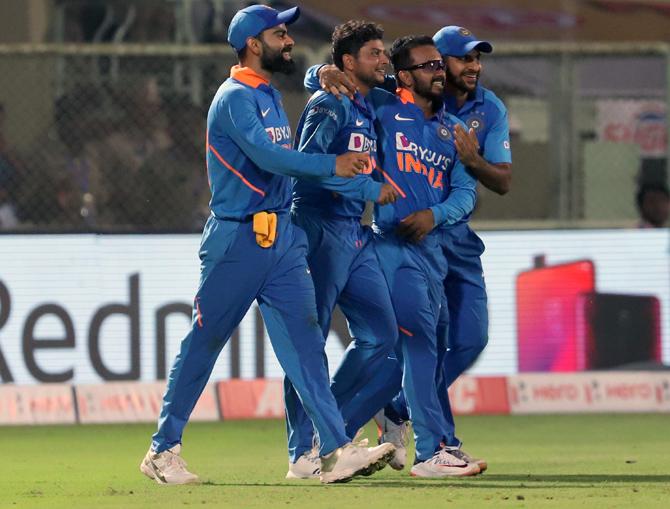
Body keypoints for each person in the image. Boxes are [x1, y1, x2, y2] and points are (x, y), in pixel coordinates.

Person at [139, 4, 394, 485]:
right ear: (255, 43)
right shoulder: (234, 97)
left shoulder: (268, 93)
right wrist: (332, 166)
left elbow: (302, 109)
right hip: (237, 238)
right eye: (280, 33)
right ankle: (162, 450)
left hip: (281, 239)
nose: (289, 40)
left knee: (305, 345)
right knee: (205, 342)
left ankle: (330, 450)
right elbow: (270, 156)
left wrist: (320, 73)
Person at [307, 25, 513, 473]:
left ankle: (328, 439)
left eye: (442, 65)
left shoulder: (454, 129)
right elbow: (340, 84)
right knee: (418, 341)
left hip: (435, 251)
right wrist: (320, 71)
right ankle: (435, 449)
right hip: (390, 246)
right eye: (430, 66)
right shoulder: (382, 107)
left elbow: (465, 193)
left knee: (423, 347)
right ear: (402, 76)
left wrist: (433, 217)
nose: (440, 73)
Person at [286, 20, 399, 479]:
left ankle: (329, 430)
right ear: (349, 62)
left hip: (355, 232)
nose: (384, 61)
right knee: (308, 343)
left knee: (383, 337)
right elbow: (303, 168)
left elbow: (394, 79)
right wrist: (367, 187)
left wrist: (317, 69)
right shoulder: (329, 103)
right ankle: (302, 455)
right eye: (374, 53)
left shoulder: (366, 98)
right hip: (320, 227)